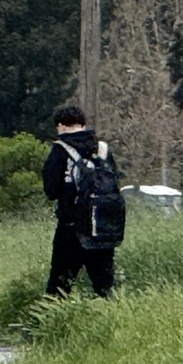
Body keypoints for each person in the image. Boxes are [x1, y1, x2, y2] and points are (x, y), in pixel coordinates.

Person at [43, 104, 120, 298]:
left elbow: (51, 190)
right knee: (105, 288)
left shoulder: (60, 150)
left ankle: (54, 325)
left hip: (71, 228)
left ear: (60, 126)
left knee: (59, 288)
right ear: (83, 124)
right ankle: (109, 323)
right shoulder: (103, 149)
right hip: (102, 227)